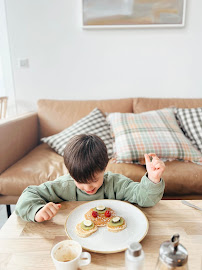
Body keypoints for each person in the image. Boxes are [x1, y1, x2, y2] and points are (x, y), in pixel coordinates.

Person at [15, 134, 165, 222]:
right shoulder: (64, 185)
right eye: (80, 182)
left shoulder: (116, 184)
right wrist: (36, 210)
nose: (88, 188)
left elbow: (146, 199)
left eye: (94, 180)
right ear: (71, 174)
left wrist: (152, 179)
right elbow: (28, 195)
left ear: (105, 167)